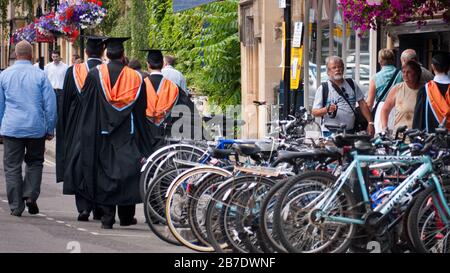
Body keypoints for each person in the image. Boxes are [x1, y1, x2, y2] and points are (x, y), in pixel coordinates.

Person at [74, 37, 155, 229]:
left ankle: (107, 217)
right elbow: (141, 109)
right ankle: (126, 217)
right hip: (127, 133)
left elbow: (87, 106)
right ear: (122, 54)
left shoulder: (94, 75)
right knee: (127, 173)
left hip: (102, 132)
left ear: (106, 53)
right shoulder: (136, 78)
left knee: (104, 174)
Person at [0, 40, 57, 217]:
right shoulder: (40, 75)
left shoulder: (4, 75)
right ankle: (31, 195)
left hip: (12, 128)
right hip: (35, 127)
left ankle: (16, 206)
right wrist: (50, 127)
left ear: (16, 55)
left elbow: (0, 105)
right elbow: (50, 104)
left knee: (12, 167)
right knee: (35, 162)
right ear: (31, 55)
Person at [56, 36, 107, 222]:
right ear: (103, 52)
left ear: (85, 52)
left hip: (78, 126)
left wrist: (63, 128)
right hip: (102, 125)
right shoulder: (107, 72)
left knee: (79, 163)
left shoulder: (74, 71)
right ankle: (100, 207)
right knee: (101, 165)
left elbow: (65, 102)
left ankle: (83, 207)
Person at [142, 49, 202, 146]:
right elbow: (188, 111)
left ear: (148, 65)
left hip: (146, 137)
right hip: (168, 138)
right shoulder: (173, 88)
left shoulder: (141, 86)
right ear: (162, 64)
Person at [312, 56, 374, 136]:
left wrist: (370, 122)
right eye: (334, 68)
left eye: (340, 67)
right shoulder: (323, 88)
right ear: (328, 72)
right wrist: (326, 109)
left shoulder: (352, 84)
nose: (337, 69)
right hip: (330, 133)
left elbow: (362, 104)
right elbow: (314, 112)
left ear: (343, 69)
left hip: (350, 132)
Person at [366, 49, 403, 133]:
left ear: (380, 61)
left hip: (381, 110)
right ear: (393, 60)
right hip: (398, 109)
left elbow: (369, 104)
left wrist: (369, 121)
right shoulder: (401, 74)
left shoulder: (375, 77)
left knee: (382, 138)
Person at [380, 60, 422, 133]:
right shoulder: (397, 89)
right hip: (400, 137)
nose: (405, 74)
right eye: (403, 72)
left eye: (409, 72)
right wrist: (384, 127)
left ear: (416, 73)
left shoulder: (425, 89)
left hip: (419, 136)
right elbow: (385, 110)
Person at [413, 52, 450, 132]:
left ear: (432, 67)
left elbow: (418, 121)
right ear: (449, 68)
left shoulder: (425, 90)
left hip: (431, 140)